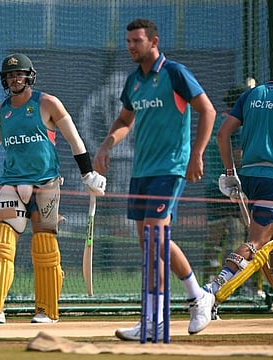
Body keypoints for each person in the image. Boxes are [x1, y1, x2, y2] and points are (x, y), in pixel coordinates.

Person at [0, 53, 106, 324]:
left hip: (46, 183)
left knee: (44, 246)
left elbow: (74, 140)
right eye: (10, 76)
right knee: (1, 242)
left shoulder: (47, 103)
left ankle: (46, 310)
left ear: (29, 76)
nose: (14, 79)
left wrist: (88, 173)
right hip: (11, 183)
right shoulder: (1, 112)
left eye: (19, 74)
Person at [93, 18, 217, 341]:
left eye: (137, 40)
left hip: (170, 168)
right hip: (141, 172)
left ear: (154, 42)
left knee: (153, 242)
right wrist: (106, 145)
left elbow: (208, 111)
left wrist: (197, 154)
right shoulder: (133, 81)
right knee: (149, 244)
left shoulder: (175, 73)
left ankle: (168, 314)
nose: (131, 46)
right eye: (129, 41)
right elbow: (123, 119)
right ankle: (185, 303)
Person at [203, 68, 273, 302]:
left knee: (269, 239)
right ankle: (212, 290)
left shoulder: (251, 95)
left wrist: (230, 173)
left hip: (249, 177)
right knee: (256, 241)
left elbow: (223, 134)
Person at [204, 84, 249, 282]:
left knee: (214, 241)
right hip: (235, 187)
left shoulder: (216, 122)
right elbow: (238, 156)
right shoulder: (236, 124)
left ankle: (208, 284)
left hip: (213, 185)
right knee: (248, 238)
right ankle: (245, 286)